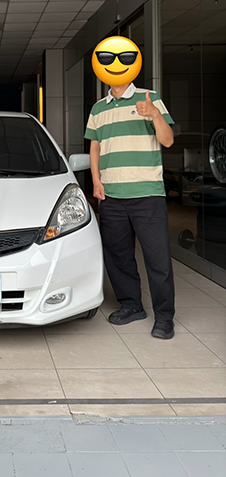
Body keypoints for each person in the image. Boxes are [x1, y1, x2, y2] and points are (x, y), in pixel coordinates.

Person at [85, 83, 176, 339]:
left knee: (157, 258)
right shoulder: (98, 108)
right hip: (111, 195)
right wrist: (96, 181)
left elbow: (168, 140)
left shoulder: (149, 98)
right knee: (118, 256)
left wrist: (154, 114)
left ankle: (164, 317)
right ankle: (132, 306)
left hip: (147, 194)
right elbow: (95, 146)